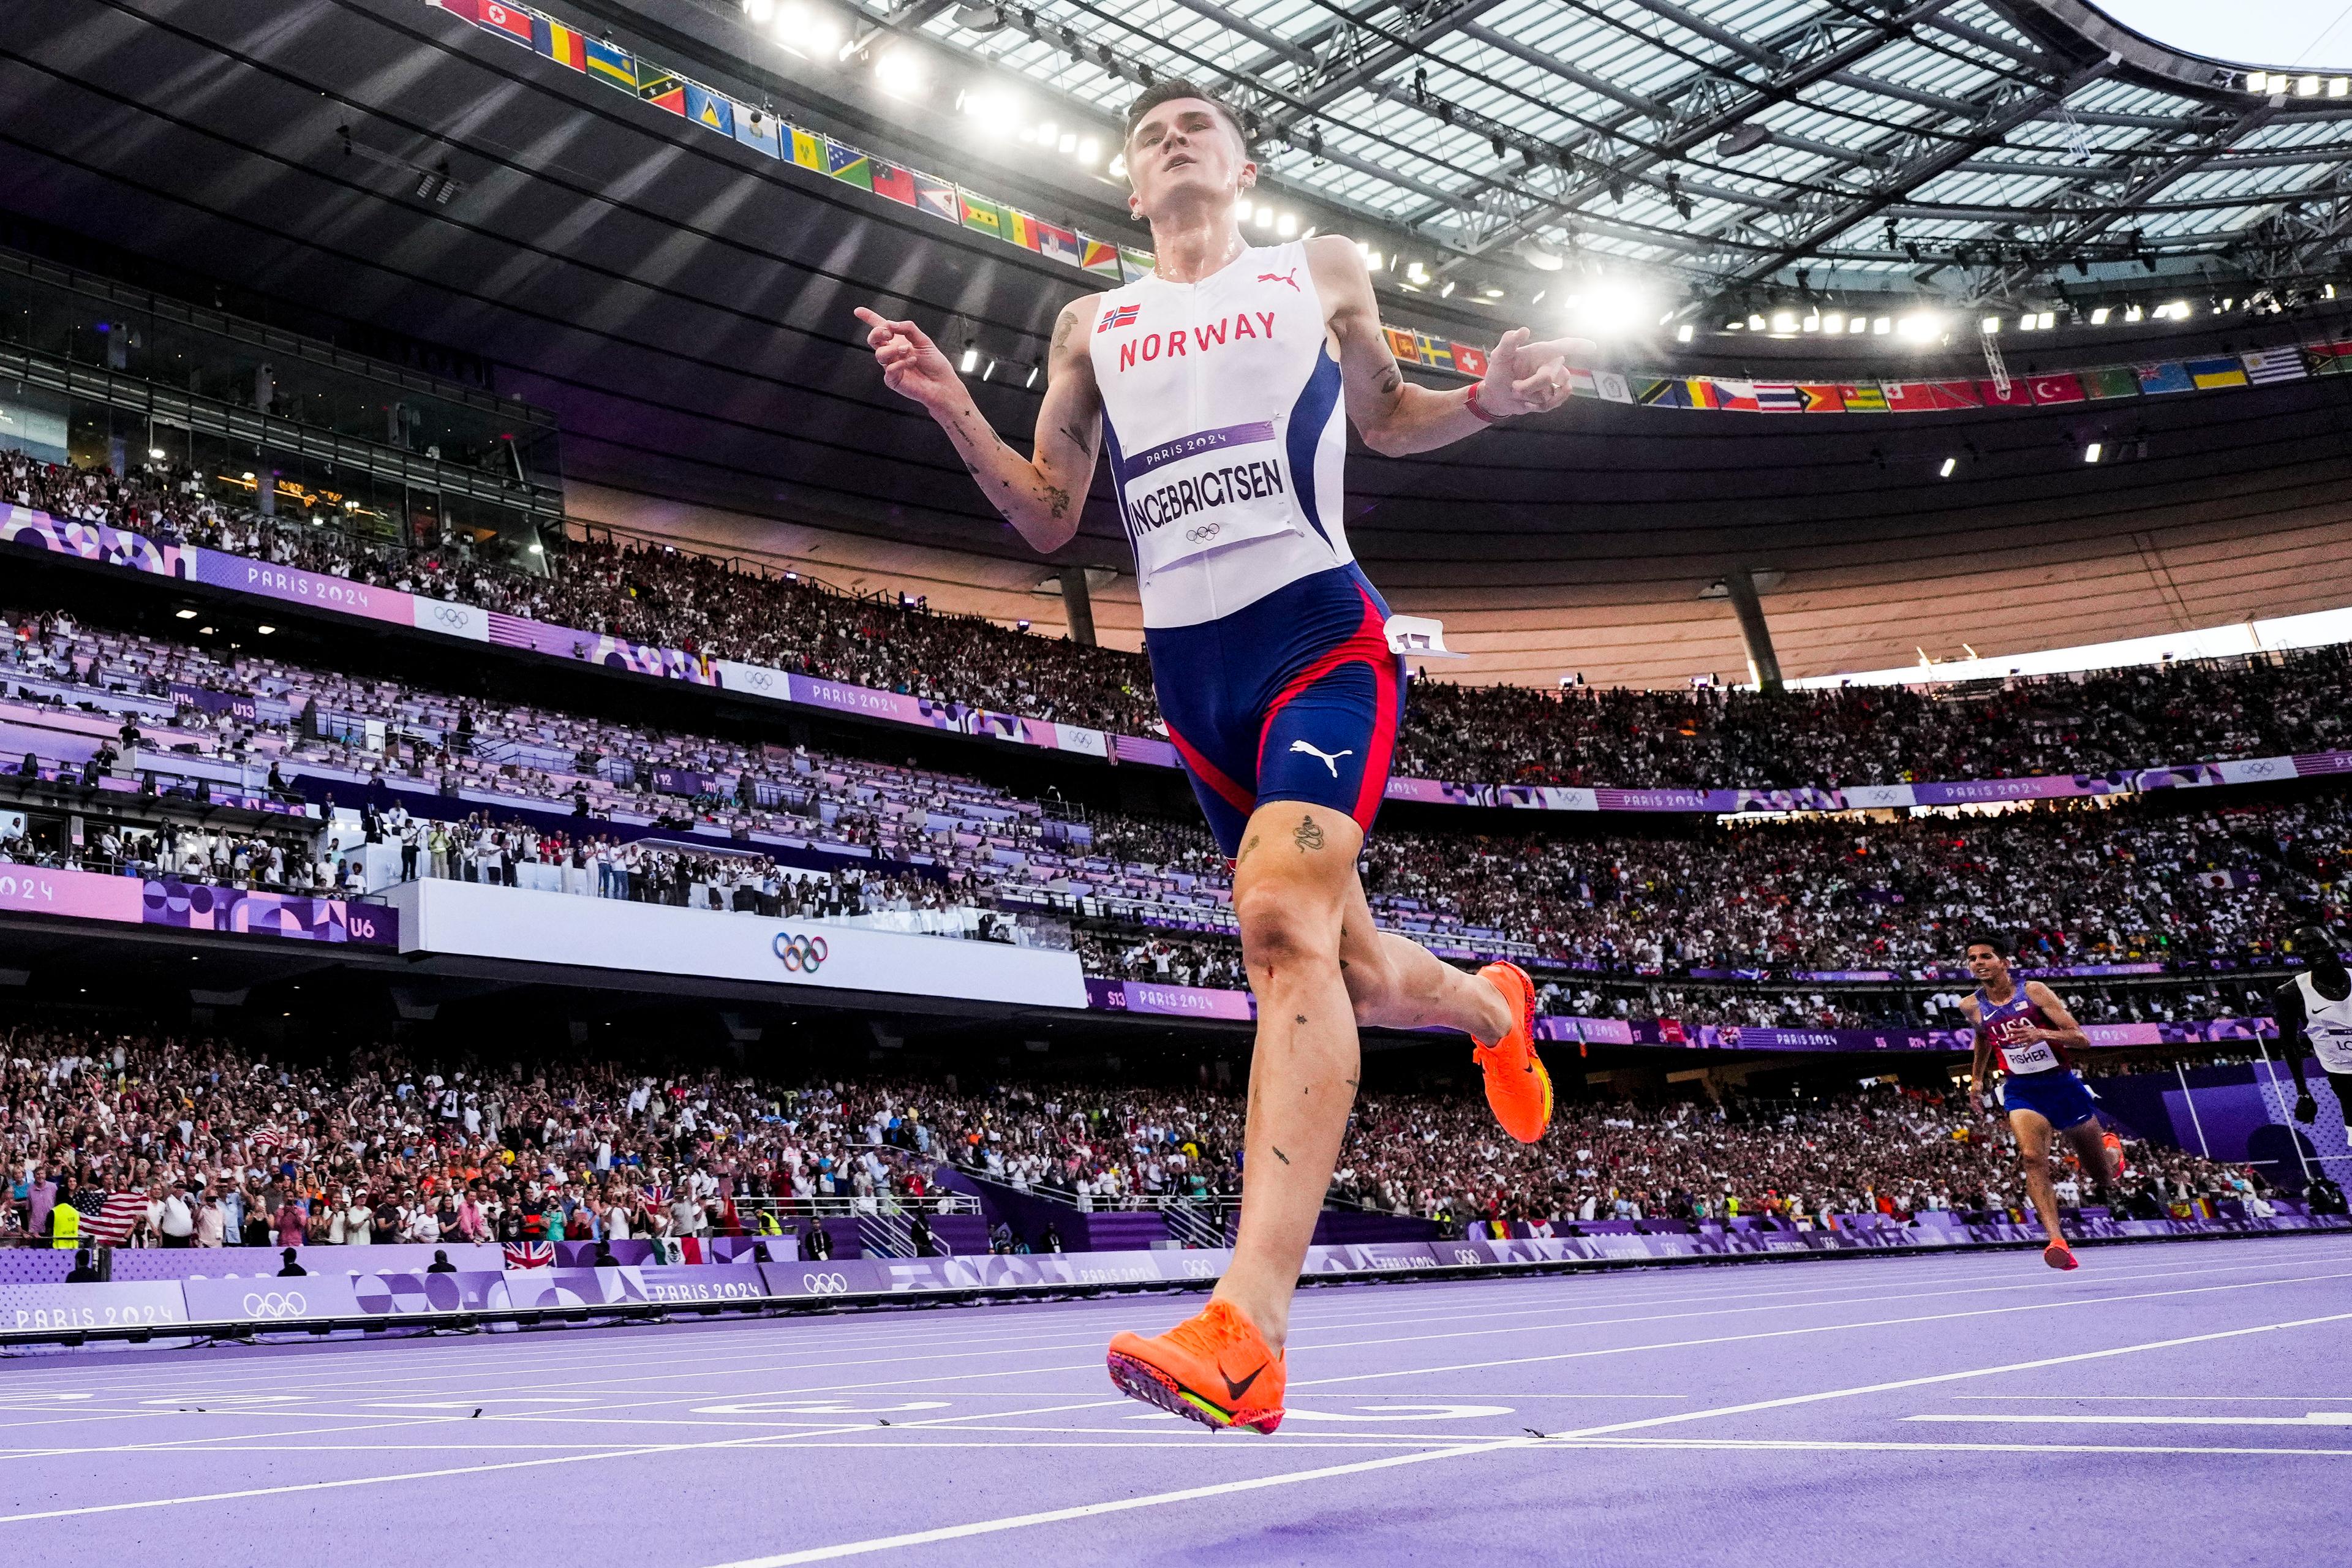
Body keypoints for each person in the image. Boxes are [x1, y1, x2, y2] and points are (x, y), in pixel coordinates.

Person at [857, 77, 1576, 1436]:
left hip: (1316, 638)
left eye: (1199, 127)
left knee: (1274, 920)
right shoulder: (1094, 322)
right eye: (1148, 136)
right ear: (1132, 190)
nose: (1173, 139)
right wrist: (955, 405)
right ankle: (1494, 1009)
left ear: (1243, 168)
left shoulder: (1317, 268)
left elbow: (1386, 416)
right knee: (1355, 967)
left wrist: (1481, 401)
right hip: (1194, 684)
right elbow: (1048, 515)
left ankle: (1248, 1322)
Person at [1961, 932, 2122, 1270]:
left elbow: (2081, 1039)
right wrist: (1976, 1080)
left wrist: (2042, 1033)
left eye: (1986, 956)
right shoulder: (1971, 1006)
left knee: (2102, 1177)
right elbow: (1983, 1040)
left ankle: (2111, 1152)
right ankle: (2057, 1240)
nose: (1979, 963)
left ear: (2004, 962)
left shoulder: (2034, 991)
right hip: (2021, 1089)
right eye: (1973, 958)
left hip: (2061, 1086)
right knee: (2032, 1158)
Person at [2280, 925, 2352, 1149]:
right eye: (2304, 947)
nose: (2312, 950)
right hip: (2345, 1078)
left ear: (2333, 942)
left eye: (2317, 942)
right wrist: (2303, 1094)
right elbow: (2290, 1045)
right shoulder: (2290, 993)